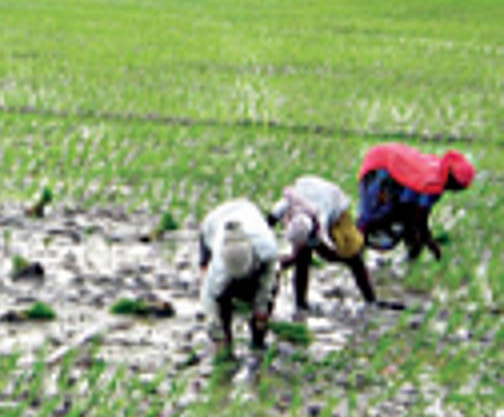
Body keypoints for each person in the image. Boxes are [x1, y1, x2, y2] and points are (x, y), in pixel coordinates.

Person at [268, 175, 375, 315]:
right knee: (302, 259)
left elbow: (325, 245)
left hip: (334, 205)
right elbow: (270, 219)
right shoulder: (287, 206)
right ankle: (301, 304)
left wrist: (285, 262)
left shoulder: (321, 218)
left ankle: (370, 299)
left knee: (350, 255)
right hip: (309, 191)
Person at [357, 143, 475, 260]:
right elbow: (419, 219)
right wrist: (429, 242)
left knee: (400, 220)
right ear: (452, 180)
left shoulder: (438, 169)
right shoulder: (432, 185)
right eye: (457, 187)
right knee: (372, 218)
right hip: (380, 167)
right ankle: (356, 249)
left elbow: (416, 215)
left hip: (389, 159)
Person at [199, 198, 279, 357]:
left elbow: (267, 281)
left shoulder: (267, 249)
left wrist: (261, 310)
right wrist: (216, 330)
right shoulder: (219, 267)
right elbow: (209, 297)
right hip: (213, 224)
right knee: (222, 298)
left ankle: (258, 343)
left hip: (248, 212)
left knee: (269, 293)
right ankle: (226, 346)